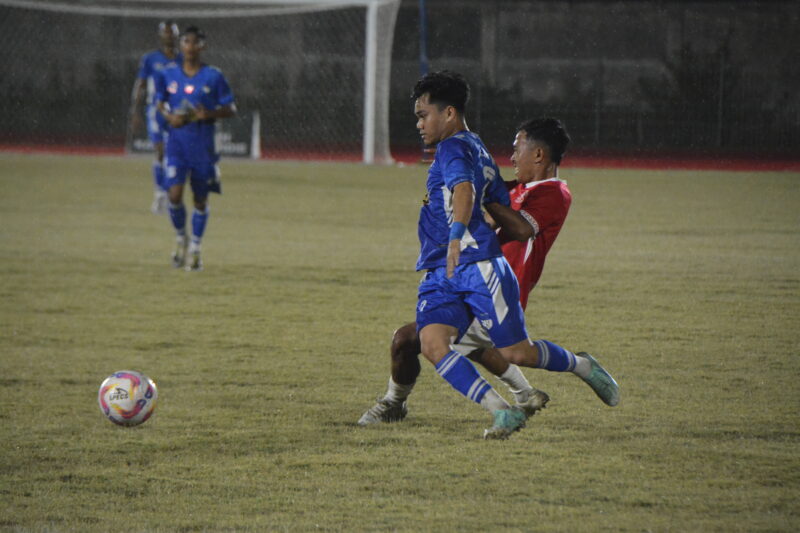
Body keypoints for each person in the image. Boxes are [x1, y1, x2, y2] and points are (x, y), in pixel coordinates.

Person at [360, 72, 619, 439]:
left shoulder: (463, 153)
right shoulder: (476, 149)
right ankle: (505, 408)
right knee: (427, 342)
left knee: (509, 351)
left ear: (448, 113)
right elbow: (492, 201)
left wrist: (458, 231)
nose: (418, 124)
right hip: (446, 269)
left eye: (423, 115)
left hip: (479, 269)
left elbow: (480, 200)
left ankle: (572, 369)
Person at [156, 25, 236, 271]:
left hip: (203, 146)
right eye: (186, 42)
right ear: (181, 46)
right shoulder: (168, 74)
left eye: (195, 42)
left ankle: (196, 249)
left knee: (200, 201)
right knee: (175, 195)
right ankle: (181, 238)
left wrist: (208, 114)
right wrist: (170, 118)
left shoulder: (213, 76)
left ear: (203, 46)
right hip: (178, 144)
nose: (190, 47)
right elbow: (160, 102)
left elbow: (231, 108)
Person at [129, 21, 182, 215]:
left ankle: (170, 193)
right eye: (166, 33)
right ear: (161, 36)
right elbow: (140, 85)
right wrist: (135, 112)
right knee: (160, 151)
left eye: (172, 33)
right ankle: (160, 194)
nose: (169, 36)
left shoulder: (183, 59)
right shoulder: (151, 59)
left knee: (173, 155)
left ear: (177, 37)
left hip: (178, 113)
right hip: (156, 111)